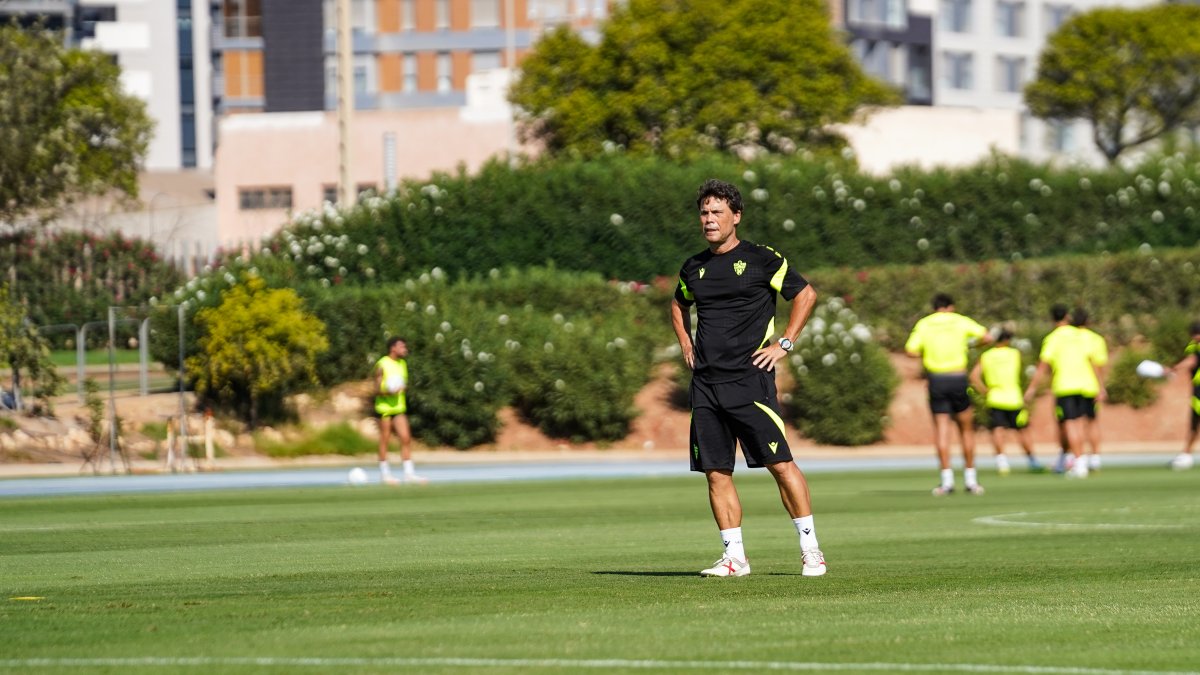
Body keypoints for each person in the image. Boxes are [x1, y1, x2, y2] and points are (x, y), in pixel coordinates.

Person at [670, 178, 824, 578]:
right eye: (704, 212)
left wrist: (784, 344)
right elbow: (677, 302)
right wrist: (686, 343)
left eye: (717, 212)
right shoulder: (693, 266)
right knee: (716, 471)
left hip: (750, 380)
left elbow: (806, 294)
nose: (709, 219)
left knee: (780, 464)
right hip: (706, 385)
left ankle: (811, 551)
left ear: (736, 217)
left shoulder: (762, 259)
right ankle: (734, 558)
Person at [905, 293, 993, 495]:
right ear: (951, 307)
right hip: (958, 378)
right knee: (966, 428)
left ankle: (947, 481)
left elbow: (910, 350)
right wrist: (972, 345)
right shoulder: (959, 320)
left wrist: (926, 352)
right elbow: (986, 337)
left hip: (937, 380)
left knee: (942, 430)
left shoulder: (925, 324)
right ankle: (971, 480)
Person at [1024, 304, 1102, 479]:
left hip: (1065, 385)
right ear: (1067, 317)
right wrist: (1100, 385)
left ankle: (1079, 463)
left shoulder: (1053, 338)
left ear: (1052, 319)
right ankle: (1082, 460)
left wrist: (1032, 388)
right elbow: (1093, 361)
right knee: (1080, 423)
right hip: (1085, 385)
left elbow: (1043, 366)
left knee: (1070, 424)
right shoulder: (1081, 335)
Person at [969, 328, 1042, 475]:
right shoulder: (1015, 354)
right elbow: (1030, 372)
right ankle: (1032, 461)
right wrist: (1028, 390)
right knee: (1023, 430)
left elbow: (974, 377)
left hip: (995, 398)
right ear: (1008, 340)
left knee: (998, 430)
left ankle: (1002, 463)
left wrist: (985, 391)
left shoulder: (987, 356)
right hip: (1014, 398)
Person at [373, 336, 426, 485]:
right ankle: (385, 474)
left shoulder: (402, 364)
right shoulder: (382, 364)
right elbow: (376, 389)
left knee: (406, 437)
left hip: (398, 407)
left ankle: (409, 473)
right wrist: (388, 392)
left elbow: (403, 383)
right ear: (393, 348)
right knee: (385, 439)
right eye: (402, 347)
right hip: (384, 408)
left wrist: (402, 388)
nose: (405, 349)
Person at [1072, 308, 1108, 472]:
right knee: (1092, 422)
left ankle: (1080, 458)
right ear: (1088, 321)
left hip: (1071, 385)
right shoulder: (1096, 339)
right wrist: (1101, 386)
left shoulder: (1069, 338)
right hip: (1090, 386)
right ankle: (1095, 457)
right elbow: (1099, 365)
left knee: (1075, 422)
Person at [1167, 321, 1200, 470]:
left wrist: (1175, 368)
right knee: (1194, 422)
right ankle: (1186, 454)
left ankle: (1186, 454)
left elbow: (1192, 361)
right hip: (1198, 388)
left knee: (1195, 421)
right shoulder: (1193, 346)